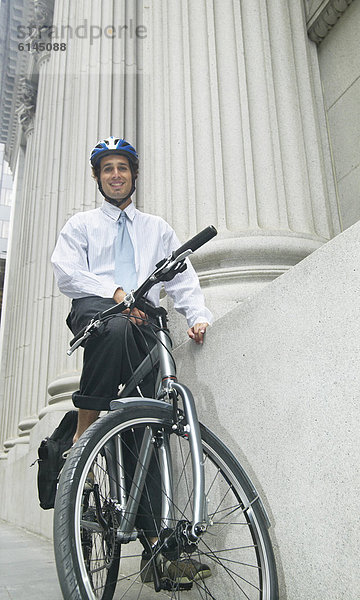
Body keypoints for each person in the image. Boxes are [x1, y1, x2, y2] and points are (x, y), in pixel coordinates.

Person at [51, 136, 213, 583]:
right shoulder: (81, 226)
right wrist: (117, 294)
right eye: (108, 170)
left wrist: (196, 316)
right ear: (98, 178)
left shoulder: (156, 227)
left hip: (144, 320)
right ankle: (85, 432)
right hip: (98, 311)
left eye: (122, 168)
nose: (116, 176)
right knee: (115, 323)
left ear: (133, 175)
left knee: (147, 431)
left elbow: (181, 276)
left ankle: (157, 554)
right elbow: (67, 272)